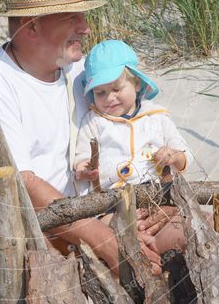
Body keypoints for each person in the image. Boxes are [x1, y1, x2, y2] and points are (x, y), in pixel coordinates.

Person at [0, 0, 175, 274]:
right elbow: (20, 185)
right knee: (140, 265)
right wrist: (109, 243)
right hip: (10, 221)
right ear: (32, 26)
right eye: (71, 17)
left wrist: (156, 200)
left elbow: (136, 127)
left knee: (192, 228)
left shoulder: (79, 73)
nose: (85, 27)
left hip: (81, 211)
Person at [74, 39, 192, 252]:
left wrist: (173, 156)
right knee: (108, 228)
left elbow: (185, 155)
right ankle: (143, 253)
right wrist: (85, 169)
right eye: (100, 92)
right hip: (111, 203)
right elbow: (81, 157)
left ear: (136, 83)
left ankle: (163, 253)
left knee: (184, 225)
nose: (109, 97)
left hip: (158, 195)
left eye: (116, 88)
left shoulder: (156, 116)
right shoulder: (94, 121)